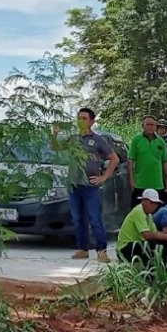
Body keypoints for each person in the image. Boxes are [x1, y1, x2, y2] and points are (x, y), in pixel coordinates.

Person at [54, 107, 118, 263]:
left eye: (84, 118)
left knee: (95, 218)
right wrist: (54, 134)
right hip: (74, 184)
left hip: (90, 186)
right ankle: (82, 249)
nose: (81, 121)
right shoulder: (73, 139)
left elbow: (114, 159)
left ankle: (101, 251)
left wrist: (103, 177)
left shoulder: (98, 140)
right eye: (79, 118)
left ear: (91, 121)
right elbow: (55, 147)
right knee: (77, 218)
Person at [116, 189, 167, 266]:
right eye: (152, 202)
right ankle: (155, 272)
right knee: (154, 247)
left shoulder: (149, 216)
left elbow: (155, 233)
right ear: (144, 201)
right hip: (125, 248)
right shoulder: (138, 211)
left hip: (139, 244)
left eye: (156, 203)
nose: (154, 205)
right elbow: (147, 235)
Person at [126, 116, 167, 203]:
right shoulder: (136, 140)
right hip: (140, 183)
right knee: (139, 209)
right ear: (143, 126)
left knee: (155, 210)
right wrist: (131, 179)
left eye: (152, 125)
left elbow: (165, 161)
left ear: (155, 126)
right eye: (148, 124)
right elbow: (130, 160)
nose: (150, 127)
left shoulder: (161, 141)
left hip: (157, 183)